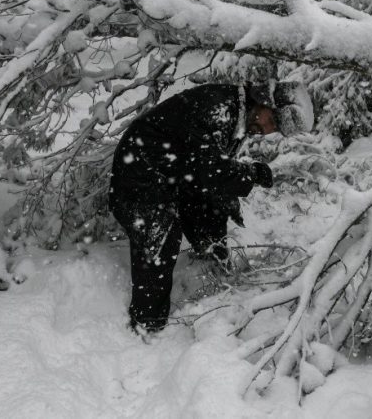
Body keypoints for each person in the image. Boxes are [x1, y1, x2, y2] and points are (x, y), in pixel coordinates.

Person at [109, 82, 313, 334]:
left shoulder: (238, 113)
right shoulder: (219, 108)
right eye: (271, 119)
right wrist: (251, 174)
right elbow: (209, 169)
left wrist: (230, 194)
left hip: (170, 175)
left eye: (275, 128)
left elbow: (208, 169)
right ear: (262, 102)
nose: (268, 130)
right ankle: (146, 325)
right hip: (138, 178)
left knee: (212, 204)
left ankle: (211, 262)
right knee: (162, 237)